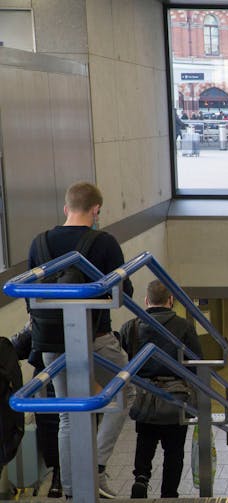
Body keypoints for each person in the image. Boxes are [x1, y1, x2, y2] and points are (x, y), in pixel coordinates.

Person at [27, 181, 134, 499]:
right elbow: (122, 292)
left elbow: (30, 293)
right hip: (95, 338)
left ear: (66, 208)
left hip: (50, 341)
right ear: (96, 210)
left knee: (67, 414)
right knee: (122, 392)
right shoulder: (104, 242)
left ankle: (74, 488)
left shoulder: (39, 243)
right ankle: (97, 466)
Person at [119, 280, 202, 499]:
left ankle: (142, 477)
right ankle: (169, 493)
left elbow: (126, 356)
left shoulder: (131, 326)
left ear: (146, 301)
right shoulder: (184, 326)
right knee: (174, 451)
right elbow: (197, 362)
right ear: (171, 301)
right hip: (176, 398)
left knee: (145, 439)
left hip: (144, 396)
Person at [10, 323, 62, 498]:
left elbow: (16, 346)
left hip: (45, 378)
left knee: (51, 426)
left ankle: (59, 476)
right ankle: (62, 475)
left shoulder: (38, 319)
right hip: (68, 375)